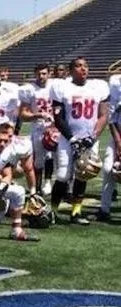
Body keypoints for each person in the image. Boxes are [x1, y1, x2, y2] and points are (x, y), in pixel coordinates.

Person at [50, 57, 110, 225]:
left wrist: (93, 136)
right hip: (68, 138)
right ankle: (53, 210)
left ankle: (76, 212)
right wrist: (72, 138)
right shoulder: (62, 87)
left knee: (84, 174)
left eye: (85, 65)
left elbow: (103, 115)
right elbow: (58, 118)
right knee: (63, 175)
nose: (83, 69)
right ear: (70, 70)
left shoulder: (98, 87)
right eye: (78, 66)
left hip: (90, 138)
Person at [18, 64, 55, 196]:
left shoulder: (55, 87)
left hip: (54, 127)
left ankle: (48, 182)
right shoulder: (30, 90)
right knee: (38, 160)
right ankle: (37, 187)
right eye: (39, 74)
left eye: (44, 73)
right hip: (38, 127)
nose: (41, 76)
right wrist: (37, 115)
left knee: (52, 157)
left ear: (49, 74)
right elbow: (22, 114)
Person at [99, 73, 121, 221]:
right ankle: (104, 210)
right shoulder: (115, 83)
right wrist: (118, 141)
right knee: (108, 169)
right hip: (118, 135)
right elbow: (111, 116)